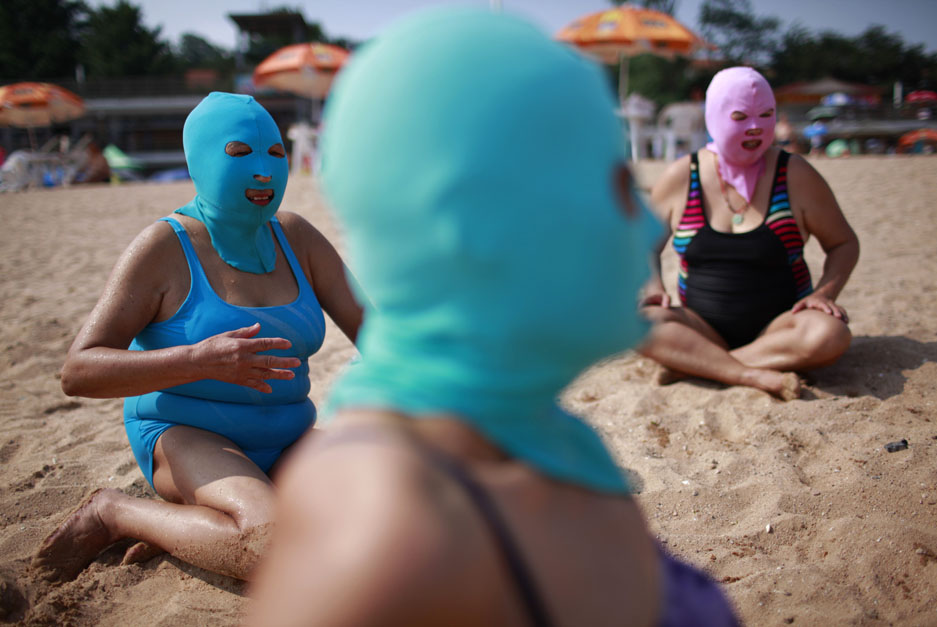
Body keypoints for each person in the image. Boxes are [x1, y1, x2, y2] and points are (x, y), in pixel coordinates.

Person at [248, 8, 738, 626]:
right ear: (484, 226)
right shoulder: (387, 537)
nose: (643, 225)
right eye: (616, 187)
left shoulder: (538, 436)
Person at [30, 92, 362, 582]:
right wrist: (198, 360)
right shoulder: (164, 247)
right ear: (202, 157)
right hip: (187, 434)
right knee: (268, 549)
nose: (264, 170)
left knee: (399, 507)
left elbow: (378, 335)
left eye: (275, 153)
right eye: (239, 153)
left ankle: (189, 529)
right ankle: (115, 513)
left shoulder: (298, 238)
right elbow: (78, 372)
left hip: (289, 437)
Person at [640, 67, 859, 400]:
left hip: (783, 329)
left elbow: (843, 243)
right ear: (714, 117)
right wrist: (654, 287)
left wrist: (824, 294)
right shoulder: (683, 175)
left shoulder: (795, 174)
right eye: (740, 117)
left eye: (766, 115)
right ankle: (749, 373)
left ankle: (694, 366)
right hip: (700, 327)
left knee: (831, 334)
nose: (756, 127)